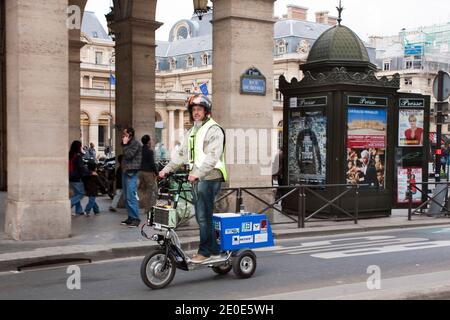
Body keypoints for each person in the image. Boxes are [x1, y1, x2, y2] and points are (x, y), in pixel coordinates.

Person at [159, 93, 227, 264]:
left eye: (199, 109)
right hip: (197, 177)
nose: (196, 112)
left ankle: (205, 252)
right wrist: (166, 169)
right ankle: (214, 250)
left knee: (203, 215)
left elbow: (212, 156)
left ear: (206, 111)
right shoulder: (192, 131)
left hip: (210, 176)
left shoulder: (214, 129)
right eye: (194, 109)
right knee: (202, 216)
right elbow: (181, 154)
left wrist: (198, 173)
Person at [120, 127, 142, 228]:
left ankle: (136, 218)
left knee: (131, 196)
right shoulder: (129, 143)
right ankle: (130, 217)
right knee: (126, 197)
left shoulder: (135, 143)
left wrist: (124, 144)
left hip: (132, 172)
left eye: (125, 134)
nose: (123, 135)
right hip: (126, 171)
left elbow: (129, 155)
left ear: (130, 134)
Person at [138, 135, 158, 214]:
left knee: (142, 189)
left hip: (140, 172)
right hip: (148, 172)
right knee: (151, 190)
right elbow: (152, 163)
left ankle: (144, 204)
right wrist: (156, 172)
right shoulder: (150, 151)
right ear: (148, 141)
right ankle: (148, 208)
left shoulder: (139, 150)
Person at [69, 141, 86, 216]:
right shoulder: (78, 156)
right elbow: (80, 167)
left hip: (70, 176)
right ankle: (68, 204)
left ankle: (79, 210)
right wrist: (89, 173)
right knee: (81, 194)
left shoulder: (70, 154)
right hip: (76, 177)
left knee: (76, 193)